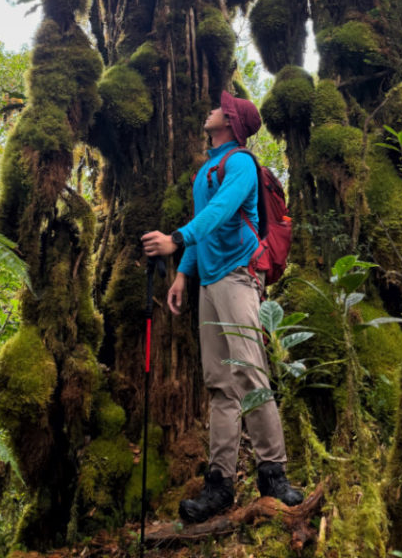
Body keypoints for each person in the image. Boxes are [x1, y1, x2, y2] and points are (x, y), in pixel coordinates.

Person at [142, 90, 303, 523]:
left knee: (249, 372)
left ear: (230, 122)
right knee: (219, 384)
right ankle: (219, 484)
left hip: (238, 276)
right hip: (211, 282)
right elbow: (207, 223)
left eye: (219, 108)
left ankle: (274, 474)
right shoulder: (206, 171)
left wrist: (176, 240)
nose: (212, 109)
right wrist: (183, 274)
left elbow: (221, 211)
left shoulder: (241, 164)